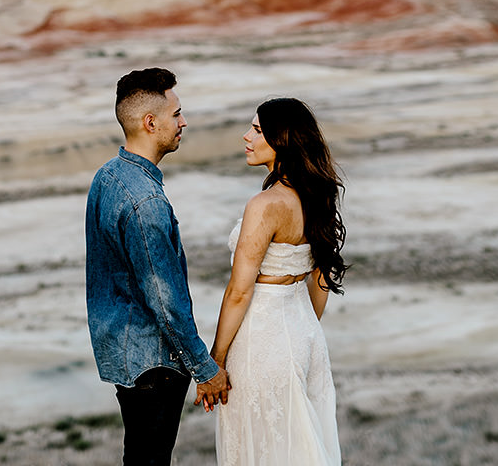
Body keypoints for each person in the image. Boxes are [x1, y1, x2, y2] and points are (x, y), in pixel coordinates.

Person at [86, 67, 231, 465]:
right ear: (150, 122)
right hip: (154, 363)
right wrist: (205, 368)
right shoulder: (145, 202)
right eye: (177, 114)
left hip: (123, 353)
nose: (183, 122)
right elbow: (165, 301)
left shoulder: (107, 176)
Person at [206, 97, 346, 466]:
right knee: (300, 445)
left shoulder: (265, 205)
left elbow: (239, 291)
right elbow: (321, 280)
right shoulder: (318, 194)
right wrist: (304, 331)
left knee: (261, 449)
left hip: (263, 338)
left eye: (256, 129)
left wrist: (215, 361)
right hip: (305, 335)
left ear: (281, 139)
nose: (246, 136)